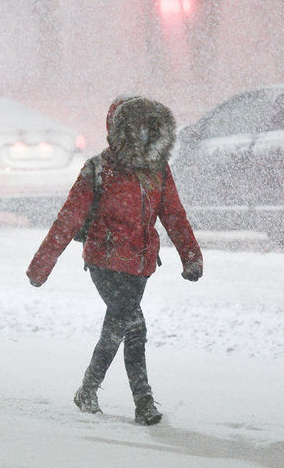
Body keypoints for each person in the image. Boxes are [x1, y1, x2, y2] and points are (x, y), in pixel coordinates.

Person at [26, 95, 203, 425]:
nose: (142, 135)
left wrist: (190, 256)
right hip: (104, 261)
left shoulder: (158, 171)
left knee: (123, 325)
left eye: (148, 128)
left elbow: (174, 215)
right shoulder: (98, 169)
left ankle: (89, 389)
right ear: (119, 130)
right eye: (135, 128)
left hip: (140, 266)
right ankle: (142, 401)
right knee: (133, 326)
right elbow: (69, 219)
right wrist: (41, 266)